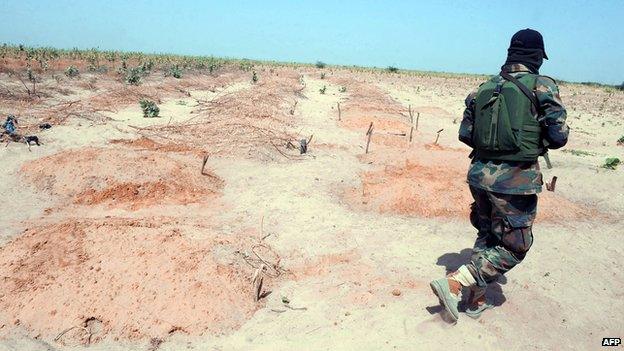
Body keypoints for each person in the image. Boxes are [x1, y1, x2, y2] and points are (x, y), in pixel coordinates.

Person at [430, 28, 569, 322]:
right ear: (537, 57)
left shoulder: (482, 88)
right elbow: (559, 137)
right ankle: (456, 282)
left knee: (488, 233)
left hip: (479, 175)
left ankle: (476, 298)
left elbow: (465, 134)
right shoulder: (542, 86)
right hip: (515, 181)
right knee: (517, 245)